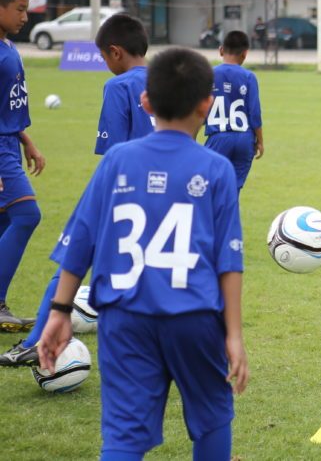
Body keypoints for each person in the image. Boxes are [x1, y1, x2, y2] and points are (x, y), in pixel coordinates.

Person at [37, 47, 248, 461]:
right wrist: (235, 334)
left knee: (123, 438)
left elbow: (80, 241)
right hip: (195, 316)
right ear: (207, 105)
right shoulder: (216, 169)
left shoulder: (117, 160)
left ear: (146, 102)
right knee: (212, 418)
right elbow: (229, 261)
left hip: (125, 317)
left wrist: (60, 310)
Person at [0, 12, 153, 366]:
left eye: (102, 57)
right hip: (165, 191)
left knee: (71, 260)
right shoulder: (165, 80)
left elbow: (114, 152)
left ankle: (35, 341)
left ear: (114, 52)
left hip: (122, 190)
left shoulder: (119, 86)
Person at [0, 0, 45, 333]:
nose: (25, 17)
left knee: (6, 223)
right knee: (28, 215)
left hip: (10, 144)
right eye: (19, 9)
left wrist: (26, 140)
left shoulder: (10, 49)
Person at [205, 31, 264, 191]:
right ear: (245, 54)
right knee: (233, 190)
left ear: (221, 50)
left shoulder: (208, 74)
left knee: (210, 188)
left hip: (218, 137)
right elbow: (254, 113)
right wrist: (260, 141)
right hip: (244, 139)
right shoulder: (249, 77)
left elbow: (200, 110)